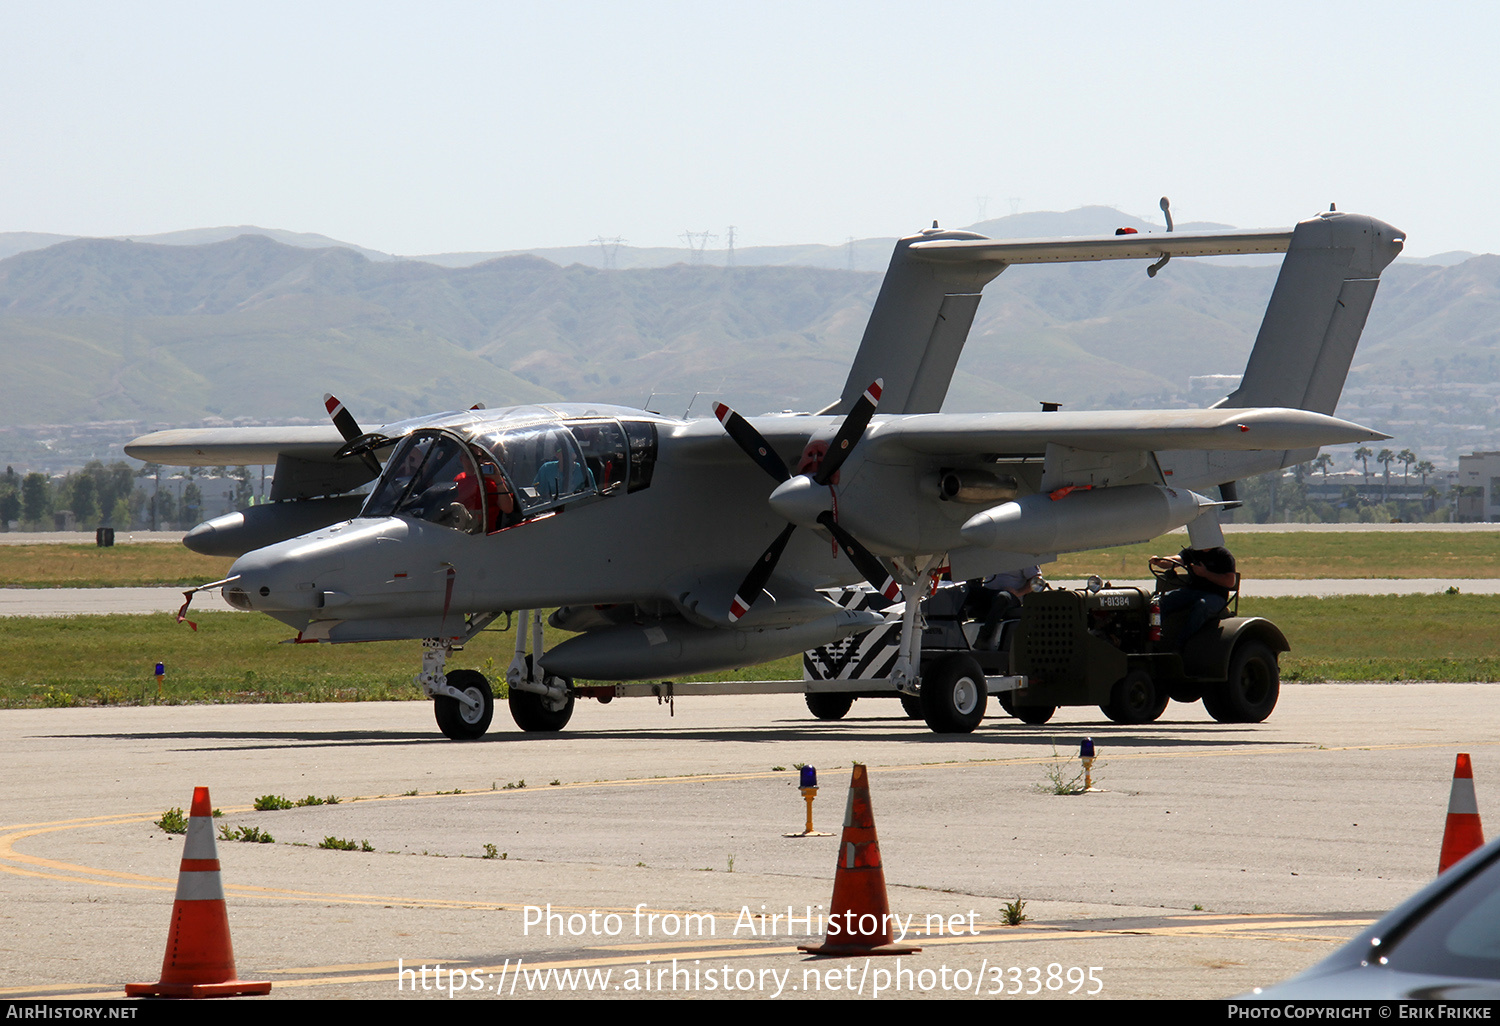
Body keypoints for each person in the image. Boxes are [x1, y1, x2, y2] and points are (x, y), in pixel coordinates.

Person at [1150, 546, 1237, 641]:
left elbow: (1230, 582)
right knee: (1160, 602)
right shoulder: (1193, 551)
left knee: (1202, 606)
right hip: (1192, 591)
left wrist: (1205, 573)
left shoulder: (1223, 555)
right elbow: (1175, 560)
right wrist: (1159, 561)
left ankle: (1182, 642)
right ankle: (1155, 635)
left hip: (1216, 595)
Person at [973, 564, 1041, 650]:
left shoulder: (1023, 554)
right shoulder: (989, 552)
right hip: (989, 593)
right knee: (962, 591)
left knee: (1002, 597)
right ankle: (954, 637)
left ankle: (984, 638)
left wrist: (1018, 592)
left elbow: (1036, 580)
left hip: (1010, 596)